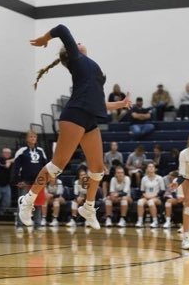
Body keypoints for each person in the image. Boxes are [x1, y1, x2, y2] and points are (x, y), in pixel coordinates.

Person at [18, 24, 131, 230]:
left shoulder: (90, 66)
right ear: (71, 53)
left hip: (90, 117)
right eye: (77, 43)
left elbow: (98, 101)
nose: (79, 43)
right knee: (57, 165)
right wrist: (45, 38)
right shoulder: (76, 59)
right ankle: (28, 200)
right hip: (75, 114)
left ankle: (88, 208)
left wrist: (120, 105)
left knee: (98, 170)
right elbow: (61, 29)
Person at [12, 131, 47, 232]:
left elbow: (45, 166)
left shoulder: (41, 151)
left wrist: (45, 179)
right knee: (23, 203)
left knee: (38, 203)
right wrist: (17, 180)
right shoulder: (22, 151)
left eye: (34, 137)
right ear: (27, 139)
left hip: (38, 182)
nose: (33, 138)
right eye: (31, 137)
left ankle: (38, 224)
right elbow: (16, 167)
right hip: (25, 182)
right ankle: (19, 225)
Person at [135, 163, 165, 228]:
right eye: (149, 167)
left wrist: (153, 196)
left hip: (157, 198)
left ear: (155, 169)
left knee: (151, 202)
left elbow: (162, 191)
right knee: (140, 202)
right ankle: (140, 221)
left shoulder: (159, 178)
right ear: (146, 169)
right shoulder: (144, 178)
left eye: (152, 167)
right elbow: (142, 190)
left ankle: (155, 221)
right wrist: (145, 196)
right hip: (146, 196)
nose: (151, 168)